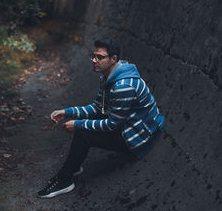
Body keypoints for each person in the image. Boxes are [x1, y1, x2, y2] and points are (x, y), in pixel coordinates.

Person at [37, 38, 164, 198]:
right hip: (130, 123)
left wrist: (79, 124)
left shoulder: (123, 86)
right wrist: (67, 112)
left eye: (99, 57)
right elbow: (98, 107)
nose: (94, 60)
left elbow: (112, 125)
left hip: (139, 135)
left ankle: (64, 180)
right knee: (87, 124)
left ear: (114, 59)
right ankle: (74, 166)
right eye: (93, 55)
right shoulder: (110, 74)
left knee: (84, 133)